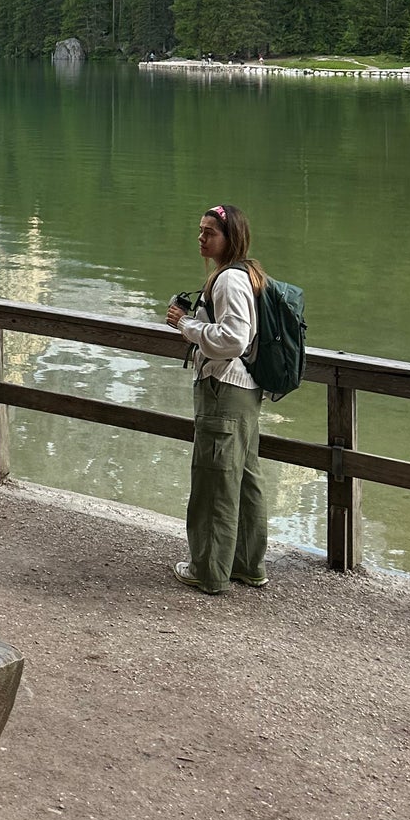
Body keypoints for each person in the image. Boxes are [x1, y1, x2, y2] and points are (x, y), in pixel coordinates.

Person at [164, 202, 269, 594]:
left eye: (210, 232)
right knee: (244, 479)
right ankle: (246, 565)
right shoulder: (249, 276)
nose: (201, 237)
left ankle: (209, 570)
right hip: (245, 390)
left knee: (214, 481)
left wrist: (186, 324)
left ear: (230, 238)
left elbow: (234, 339)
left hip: (224, 388)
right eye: (200, 230)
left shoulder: (228, 280)